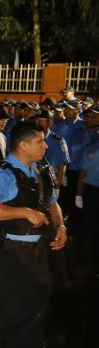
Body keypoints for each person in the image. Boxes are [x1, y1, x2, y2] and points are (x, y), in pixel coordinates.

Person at [0, 120, 67, 348]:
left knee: (38, 307)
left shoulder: (40, 170)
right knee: (16, 313)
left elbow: (52, 203)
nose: (45, 145)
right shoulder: (1, 175)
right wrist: (22, 212)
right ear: (23, 144)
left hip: (37, 253)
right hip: (10, 256)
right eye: (40, 141)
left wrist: (61, 226)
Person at [75, 104, 99, 277]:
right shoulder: (91, 147)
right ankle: (89, 265)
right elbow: (83, 171)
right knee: (89, 228)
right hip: (91, 191)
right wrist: (78, 193)